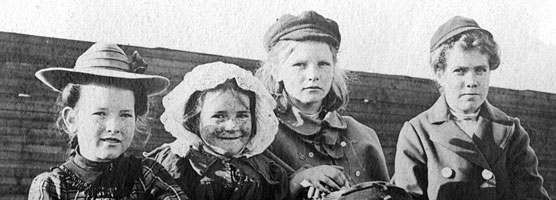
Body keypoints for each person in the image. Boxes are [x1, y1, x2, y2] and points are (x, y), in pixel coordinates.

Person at [392, 16, 551, 200]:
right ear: (440, 74)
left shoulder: (511, 131)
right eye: (460, 71)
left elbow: (532, 196)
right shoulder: (417, 133)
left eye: (480, 70)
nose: (472, 82)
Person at [256, 10, 389, 199]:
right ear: (277, 71)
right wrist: (295, 183)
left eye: (323, 64)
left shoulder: (362, 136)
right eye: (300, 64)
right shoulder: (261, 135)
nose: (313, 75)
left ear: (334, 68)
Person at [28, 43, 187, 200]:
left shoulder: (150, 176)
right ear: (72, 119)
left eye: (125, 115)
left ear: (136, 118)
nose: (114, 127)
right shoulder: (51, 186)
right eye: (100, 113)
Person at [145, 62, 289, 200]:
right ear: (194, 120)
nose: (232, 127)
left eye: (242, 115)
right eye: (219, 116)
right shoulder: (174, 166)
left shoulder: (267, 172)